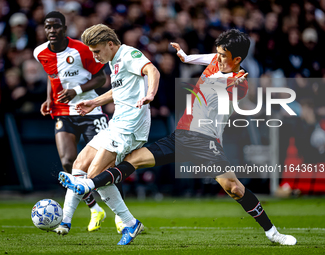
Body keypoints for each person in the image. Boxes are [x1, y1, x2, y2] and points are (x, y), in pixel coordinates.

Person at [59, 29, 297, 246]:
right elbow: (207, 58)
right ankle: (100, 195)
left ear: (237, 60)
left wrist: (227, 79)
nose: (219, 59)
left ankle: (272, 232)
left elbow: (217, 85)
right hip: (182, 136)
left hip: (206, 143)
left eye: (224, 56)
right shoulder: (218, 60)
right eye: (219, 54)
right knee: (132, 159)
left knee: (234, 189)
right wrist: (186, 56)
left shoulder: (239, 84)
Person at [58, 23, 160, 245]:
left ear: (110, 44)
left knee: (96, 175)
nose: (94, 56)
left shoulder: (130, 54)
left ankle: (129, 222)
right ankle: (65, 220)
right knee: (79, 164)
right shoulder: (114, 61)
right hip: (116, 123)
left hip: (130, 127)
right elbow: (120, 90)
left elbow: (152, 70)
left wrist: (150, 94)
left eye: (96, 51)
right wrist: (93, 101)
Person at [33, 11, 111, 234]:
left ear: (64, 29)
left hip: (90, 110)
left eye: (56, 26)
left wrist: (75, 90)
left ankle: (121, 218)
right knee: (68, 162)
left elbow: (101, 78)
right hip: (62, 112)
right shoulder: (40, 52)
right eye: (48, 27)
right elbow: (53, 75)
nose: (51, 31)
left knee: (104, 165)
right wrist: (49, 98)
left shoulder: (81, 49)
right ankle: (94, 207)